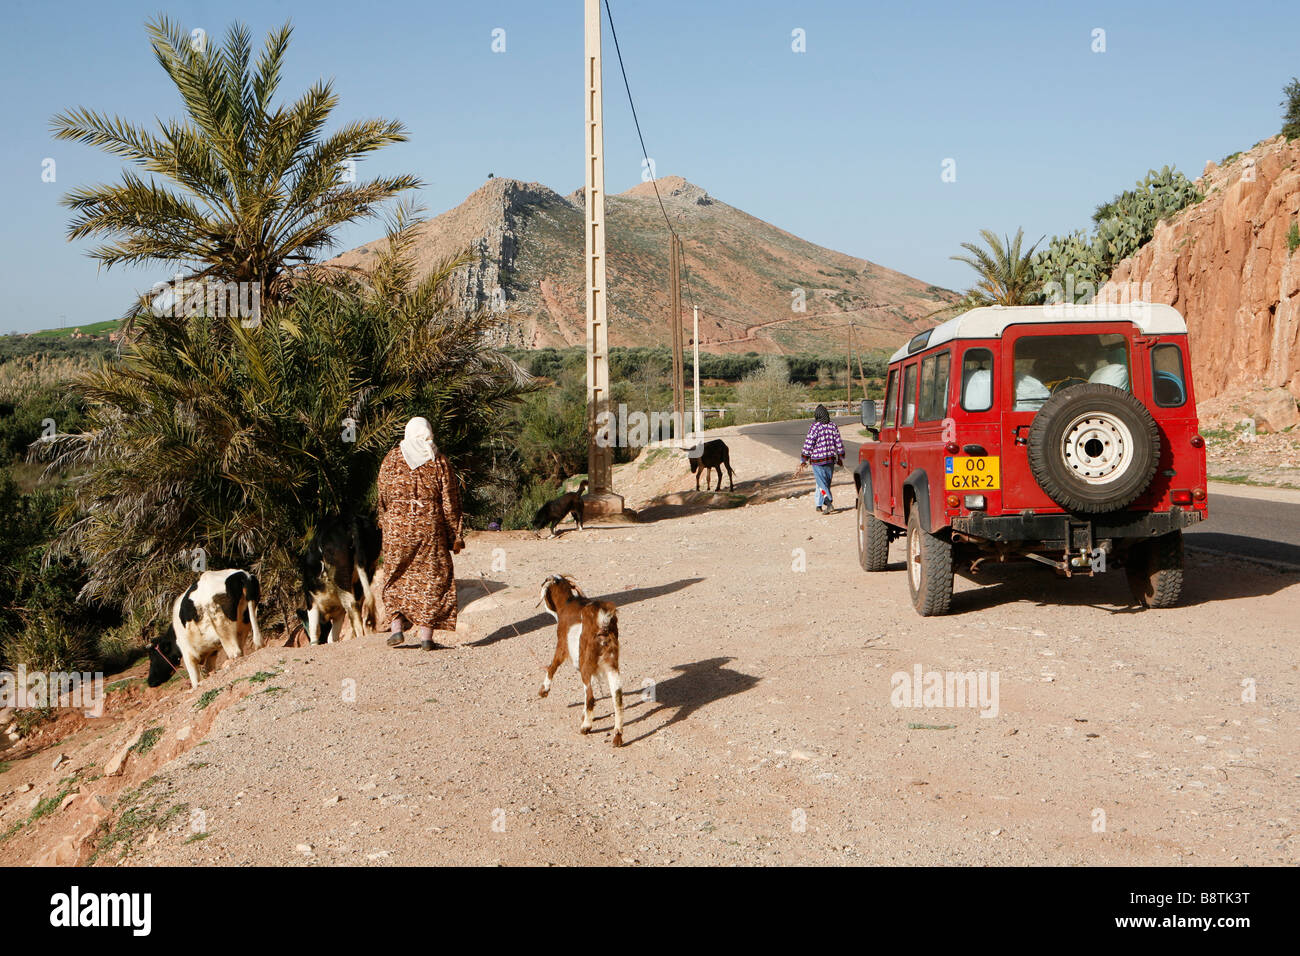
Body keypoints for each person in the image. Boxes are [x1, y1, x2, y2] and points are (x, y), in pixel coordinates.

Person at [376, 416, 465, 651]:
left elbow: (382, 496)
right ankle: (426, 637)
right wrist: (454, 534)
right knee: (434, 577)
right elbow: (450, 501)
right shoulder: (439, 461)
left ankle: (396, 629)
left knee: (394, 576)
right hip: (429, 528)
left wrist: (387, 521)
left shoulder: (391, 458)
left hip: (396, 528)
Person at [796, 404, 845, 515]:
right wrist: (840, 457)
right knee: (825, 483)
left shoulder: (815, 427)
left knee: (822, 483)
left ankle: (828, 502)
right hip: (830, 460)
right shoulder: (833, 426)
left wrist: (804, 459)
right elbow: (838, 442)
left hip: (817, 461)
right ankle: (818, 505)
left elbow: (809, 443)